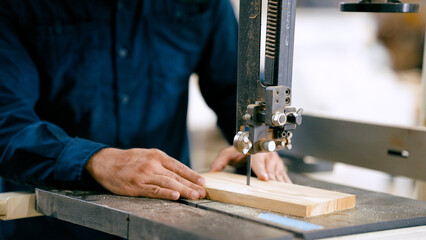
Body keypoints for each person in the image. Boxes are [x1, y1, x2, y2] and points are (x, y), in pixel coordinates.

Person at [0, 0, 290, 239]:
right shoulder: (20, 7)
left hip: (171, 217)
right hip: (50, 223)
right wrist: (94, 160)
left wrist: (254, 137)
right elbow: (6, 120)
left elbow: (232, 88)